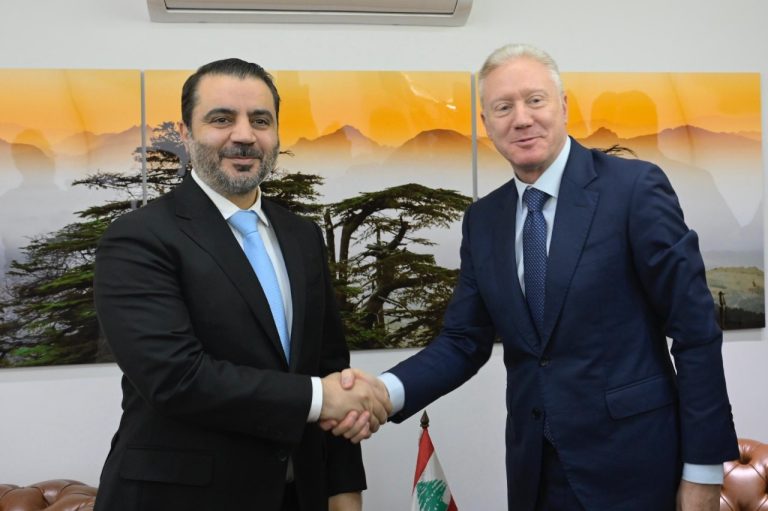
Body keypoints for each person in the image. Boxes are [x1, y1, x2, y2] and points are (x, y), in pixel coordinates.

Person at [334, 44, 739, 510]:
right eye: (503, 107)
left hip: (636, 469)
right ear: (487, 125)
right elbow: (463, 341)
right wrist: (384, 392)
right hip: (536, 475)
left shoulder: (633, 189)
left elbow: (695, 331)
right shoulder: (484, 220)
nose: (521, 119)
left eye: (535, 100)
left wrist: (704, 469)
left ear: (563, 106)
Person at [93, 58, 391, 511]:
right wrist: (318, 398)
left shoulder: (302, 236)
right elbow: (175, 377)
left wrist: (343, 489)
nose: (245, 135)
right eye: (221, 119)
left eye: (260, 120)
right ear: (186, 133)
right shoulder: (138, 237)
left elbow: (331, 366)